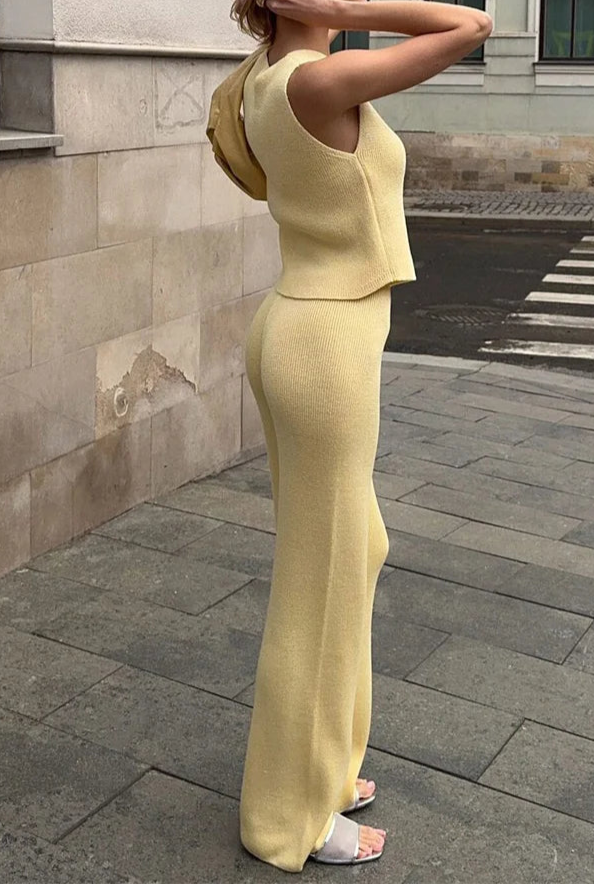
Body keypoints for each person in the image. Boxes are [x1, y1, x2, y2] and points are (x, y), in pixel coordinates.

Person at [221, 0, 492, 872]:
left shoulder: (265, 80)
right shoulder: (318, 79)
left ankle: (326, 767)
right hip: (324, 342)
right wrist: (345, 13)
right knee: (319, 586)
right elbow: (468, 27)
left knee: (356, 549)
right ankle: (286, 818)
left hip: (300, 324)